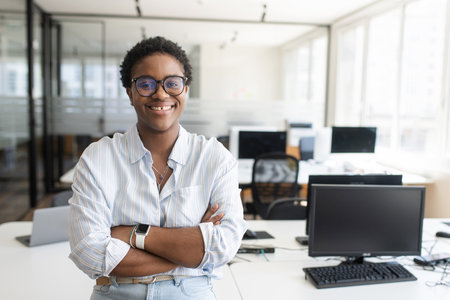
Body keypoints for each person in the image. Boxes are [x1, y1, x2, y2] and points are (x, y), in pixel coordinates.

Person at [68, 36, 247, 299]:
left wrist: (131, 235)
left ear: (185, 90)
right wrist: (192, 251)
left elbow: (222, 248)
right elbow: (90, 254)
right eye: (146, 84)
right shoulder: (98, 158)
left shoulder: (214, 157)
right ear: (130, 93)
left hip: (192, 292)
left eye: (172, 83)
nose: (161, 93)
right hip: (117, 291)